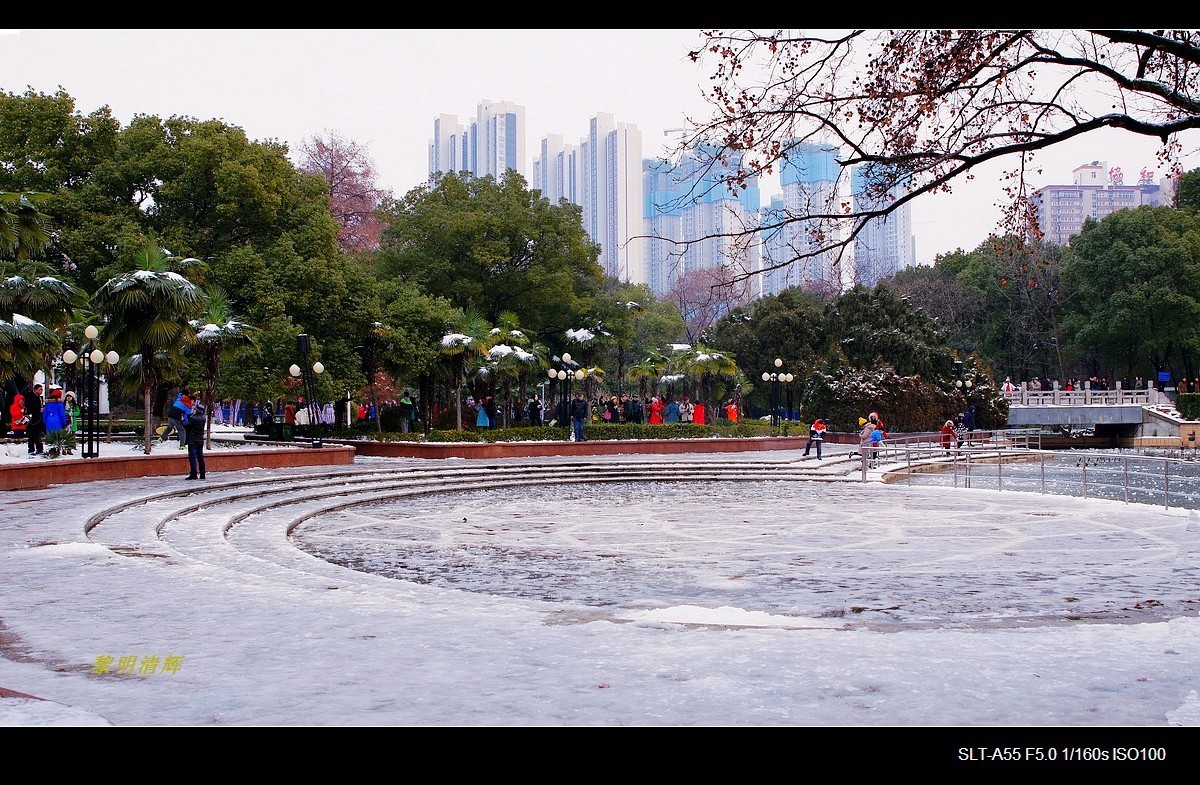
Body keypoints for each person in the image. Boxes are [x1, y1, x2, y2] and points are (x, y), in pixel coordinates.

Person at [184, 394, 207, 480]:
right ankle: (202, 473)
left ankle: (193, 473)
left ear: (196, 411)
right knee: (200, 457)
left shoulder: (193, 419)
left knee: (192, 457)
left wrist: (186, 419)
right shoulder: (203, 419)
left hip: (193, 440)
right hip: (200, 440)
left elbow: (186, 425)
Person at [25, 382, 45, 457]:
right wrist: (38, 410)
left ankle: (40, 449)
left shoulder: (38, 398)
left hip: (38, 419)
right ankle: (31, 449)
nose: (41, 391)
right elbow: (30, 407)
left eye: (42, 390)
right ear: (35, 390)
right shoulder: (30, 396)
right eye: (40, 389)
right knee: (31, 435)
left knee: (38, 434)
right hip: (32, 420)